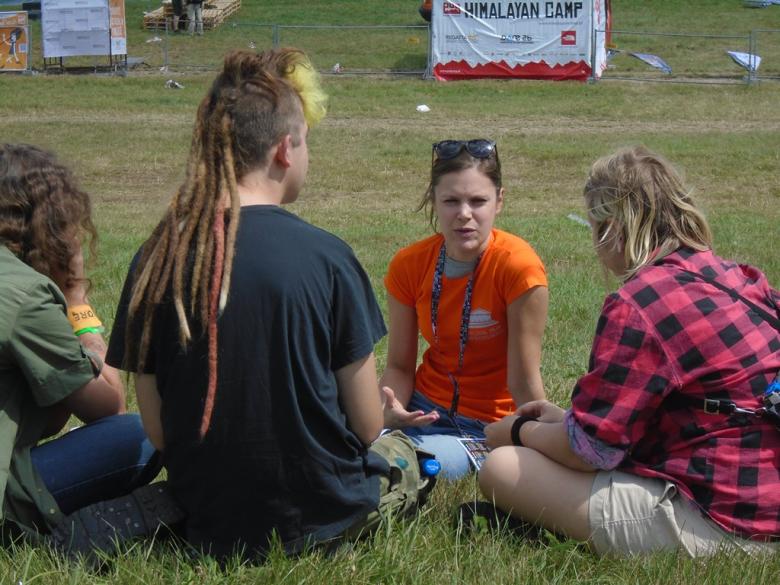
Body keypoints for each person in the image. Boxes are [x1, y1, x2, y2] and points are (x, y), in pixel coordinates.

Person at [106, 48, 435, 561]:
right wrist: (386, 419)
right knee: (406, 455)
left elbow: (157, 432)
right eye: (306, 143)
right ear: (285, 148)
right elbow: (368, 427)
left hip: (208, 515)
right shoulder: (328, 256)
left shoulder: (154, 256)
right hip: (324, 516)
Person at [478, 145, 780, 556]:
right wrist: (564, 420)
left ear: (612, 228)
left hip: (730, 522)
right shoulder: (740, 278)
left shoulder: (641, 304)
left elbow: (589, 452)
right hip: (761, 490)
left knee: (504, 467)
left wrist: (517, 431)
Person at [0, 144, 163, 549]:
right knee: (137, 434)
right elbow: (108, 404)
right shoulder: (24, 296)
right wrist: (75, 300)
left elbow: (54, 414)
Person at [380, 139, 549, 479]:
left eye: (478, 201)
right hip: (423, 408)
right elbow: (399, 365)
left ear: (499, 201)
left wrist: (540, 439)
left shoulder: (519, 268)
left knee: (402, 465)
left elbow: (524, 384)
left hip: (490, 427)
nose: (464, 214)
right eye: (451, 201)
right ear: (434, 201)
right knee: (342, 440)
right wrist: (390, 410)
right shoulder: (409, 265)